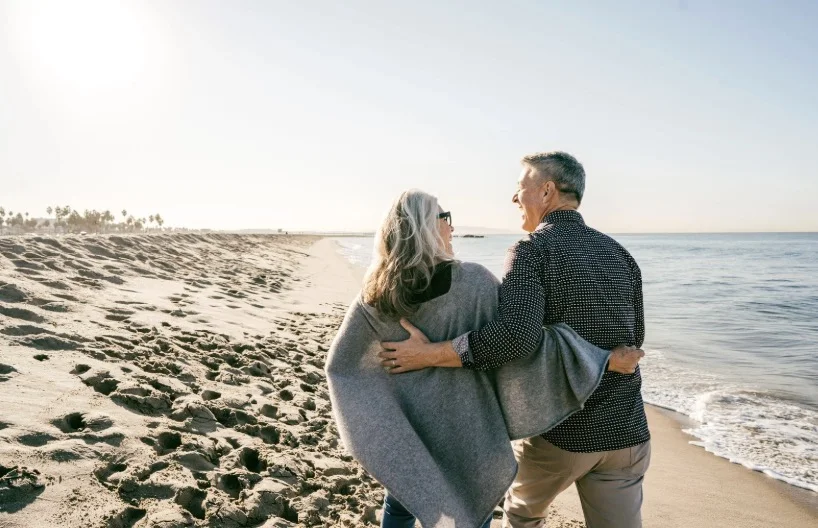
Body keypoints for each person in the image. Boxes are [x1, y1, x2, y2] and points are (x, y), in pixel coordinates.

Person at [326, 189, 643, 528]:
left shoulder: (375, 292)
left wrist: (381, 414)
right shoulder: (473, 282)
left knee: (404, 498)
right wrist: (601, 359)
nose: (450, 227)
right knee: (471, 507)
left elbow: (342, 367)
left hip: (410, 424)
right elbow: (522, 343)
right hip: (469, 425)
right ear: (426, 227)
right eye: (444, 218)